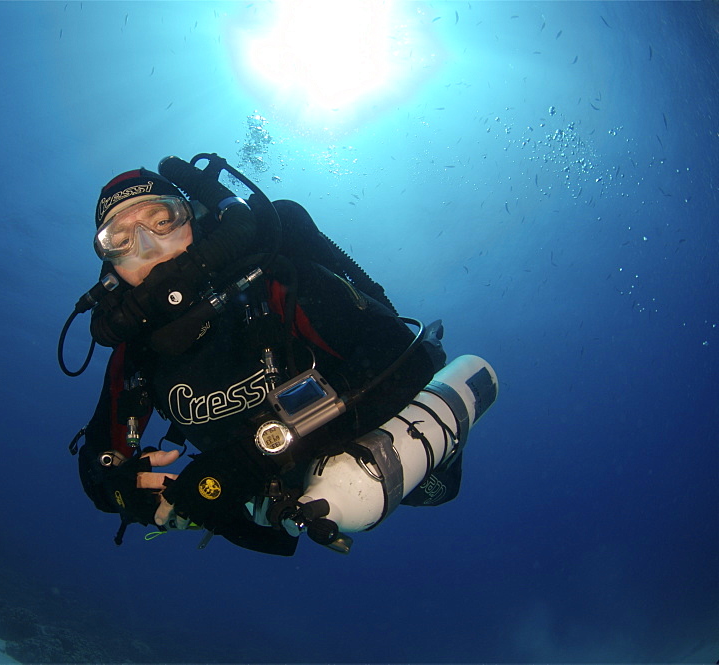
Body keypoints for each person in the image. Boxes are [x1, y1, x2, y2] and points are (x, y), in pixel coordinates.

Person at [63, 154, 496, 556]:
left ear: (193, 218)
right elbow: (100, 461)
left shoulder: (275, 281)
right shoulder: (137, 351)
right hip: (282, 499)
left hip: (373, 438)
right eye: (119, 238)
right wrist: (124, 490)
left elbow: (408, 358)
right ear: (109, 268)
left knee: (434, 489)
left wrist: (257, 455)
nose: (148, 247)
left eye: (162, 220)